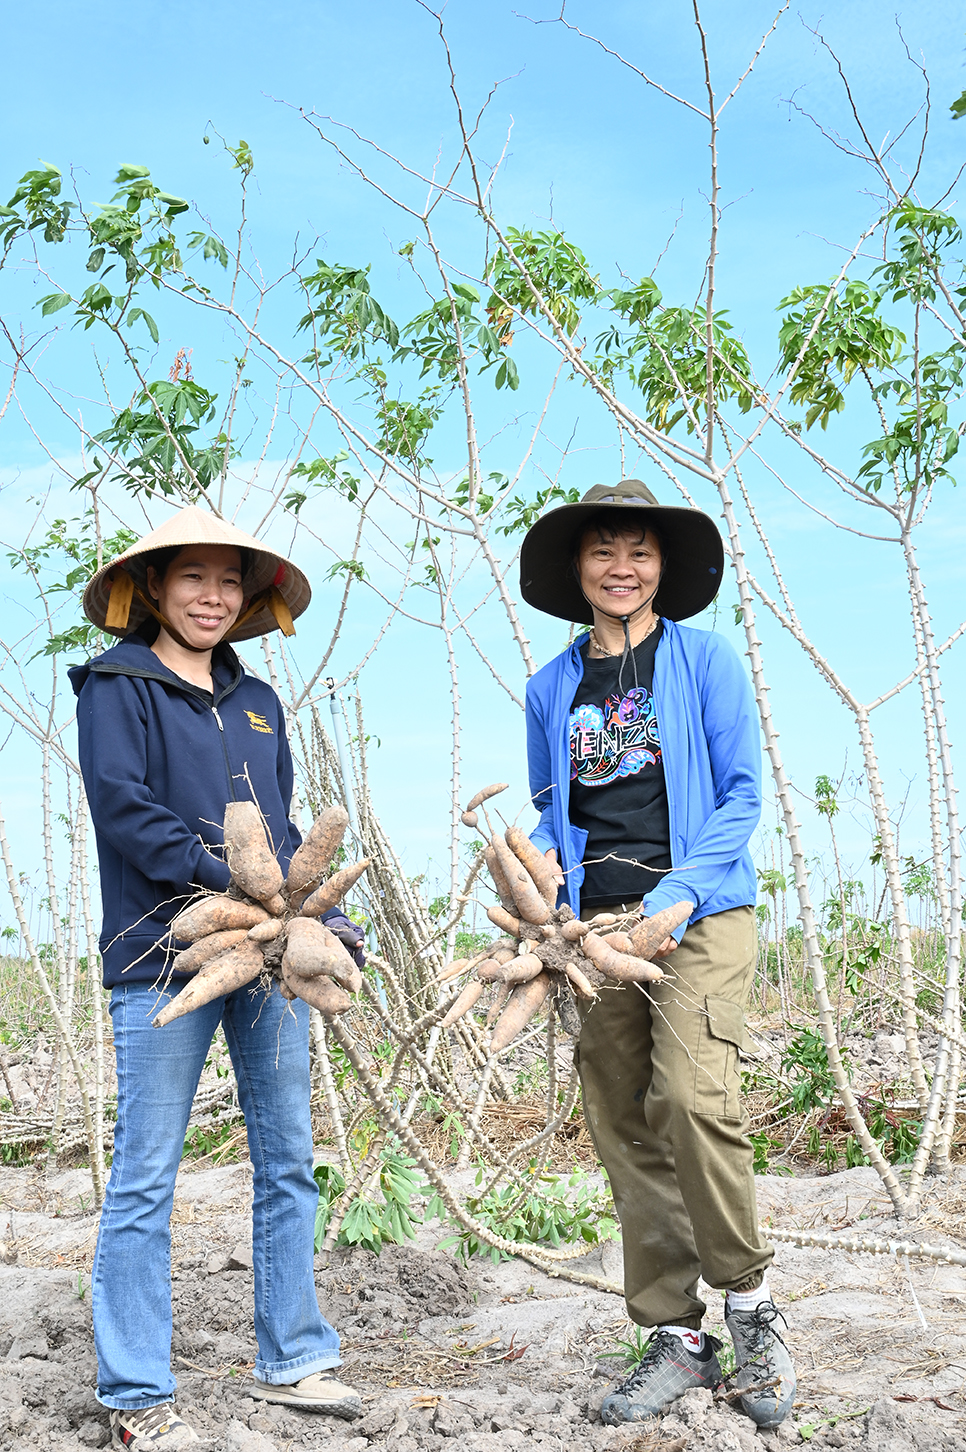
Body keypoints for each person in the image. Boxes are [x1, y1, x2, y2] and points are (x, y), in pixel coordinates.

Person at [69, 506, 365, 1448]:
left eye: (230, 581)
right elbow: (127, 814)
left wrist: (317, 913)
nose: (212, 595)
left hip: (272, 955)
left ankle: (293, 1355)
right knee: (146, 1175)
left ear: (249, 598)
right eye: (191, 577)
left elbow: (279, 830)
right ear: (153, 588)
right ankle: (135, 1393)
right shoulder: (117, 688)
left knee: (287, 1158)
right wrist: (235, 884)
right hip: (165, 954)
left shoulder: (259, 702)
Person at [520, 479, 796, 1429]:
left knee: (688, 1095)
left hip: (702, 908)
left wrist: (679, 897)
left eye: (639, 551)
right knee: (622, 1122)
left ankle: (753, 1308)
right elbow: (553, 810)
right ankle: (675, 1335)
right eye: (604, 551)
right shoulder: (549, 687)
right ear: (578, 571)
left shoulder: (705, 662)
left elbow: (742, 795)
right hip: (596, 930)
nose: (622, 568)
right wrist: (542, 878)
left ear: (663, 569)